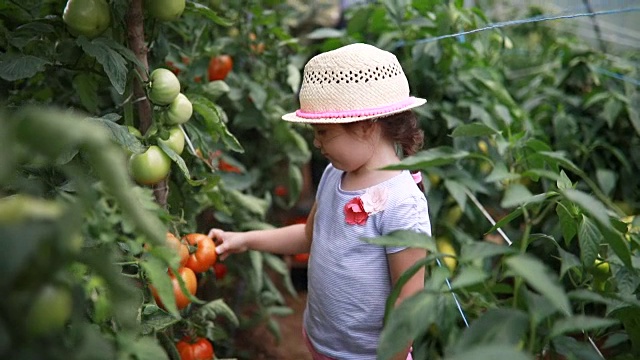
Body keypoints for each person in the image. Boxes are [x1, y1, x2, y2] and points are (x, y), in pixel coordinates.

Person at [209, 43, 431, 360]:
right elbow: (309, 236)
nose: (316, 142)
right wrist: (245, 239)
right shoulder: (333, 175)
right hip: (323, 345)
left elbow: (407, 300)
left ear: (366, 124)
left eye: (324, 131)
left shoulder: (401, 202)